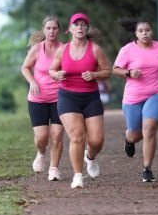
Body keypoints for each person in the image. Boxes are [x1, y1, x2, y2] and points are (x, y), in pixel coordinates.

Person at [50, 12, 112, 189]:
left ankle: (90, 157)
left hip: (91, 97)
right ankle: (77, 176)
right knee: (77, 136)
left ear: (87, 29)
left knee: (96, 141)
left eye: (83, 25)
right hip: (68, 96)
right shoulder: (63, 50)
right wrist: (57, 74)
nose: (80, 27)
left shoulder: (95, 49)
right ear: (70, 29)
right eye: (76, 25)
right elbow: (52, 70)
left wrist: (94, 74)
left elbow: (107, 71)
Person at [113, 18, 158, 182]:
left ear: (152, 31)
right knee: (135, 133)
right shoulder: (127, 50)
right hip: (133, 97)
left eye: (147, 30)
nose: (144, 33)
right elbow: (116, 70)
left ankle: (147, 169)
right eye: (141, 31)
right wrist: (129, 72)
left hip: (156, 93)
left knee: (149, 130)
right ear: (135, 33)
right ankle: (129, 139)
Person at [20, 16, 65, 181]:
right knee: (42, 137)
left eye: (54, 28)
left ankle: (54, 169)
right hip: (37, 98)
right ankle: (41, 153)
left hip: (60, 98)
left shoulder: (65, 49)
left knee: (57, 134)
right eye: (48, 28)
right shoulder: (37, 49)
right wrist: (32, 81)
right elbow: (25, 67)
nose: (51, 31)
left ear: (58, 30)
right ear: (43, 30)